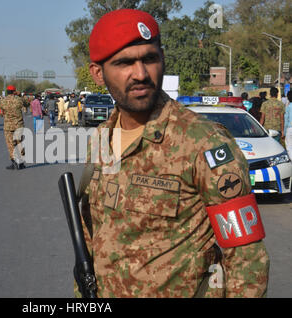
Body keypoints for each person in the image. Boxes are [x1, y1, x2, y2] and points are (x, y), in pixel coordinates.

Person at [78, 9, 269, 298]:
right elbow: (91, 240)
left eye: (150, 59)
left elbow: (247, 259)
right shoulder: (102, 139)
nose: (140, 74)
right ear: (97, 73)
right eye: (125, 63)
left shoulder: (204, 143)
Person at [0, 85, 26, 170]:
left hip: (8, 126)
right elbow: (26, 105)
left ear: (7, 91)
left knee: (10, 145)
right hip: (18, 125)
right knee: (19, 143)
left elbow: (0, 113)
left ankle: (14, 162)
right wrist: (20, 95)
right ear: (14, 91)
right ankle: (21, 162)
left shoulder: (3, 100)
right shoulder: (19, 100)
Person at [284, 91, 292, 158]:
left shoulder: (288, 107)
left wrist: (284, 131)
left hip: (290, 128)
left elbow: (286, 120)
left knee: (289, 146)